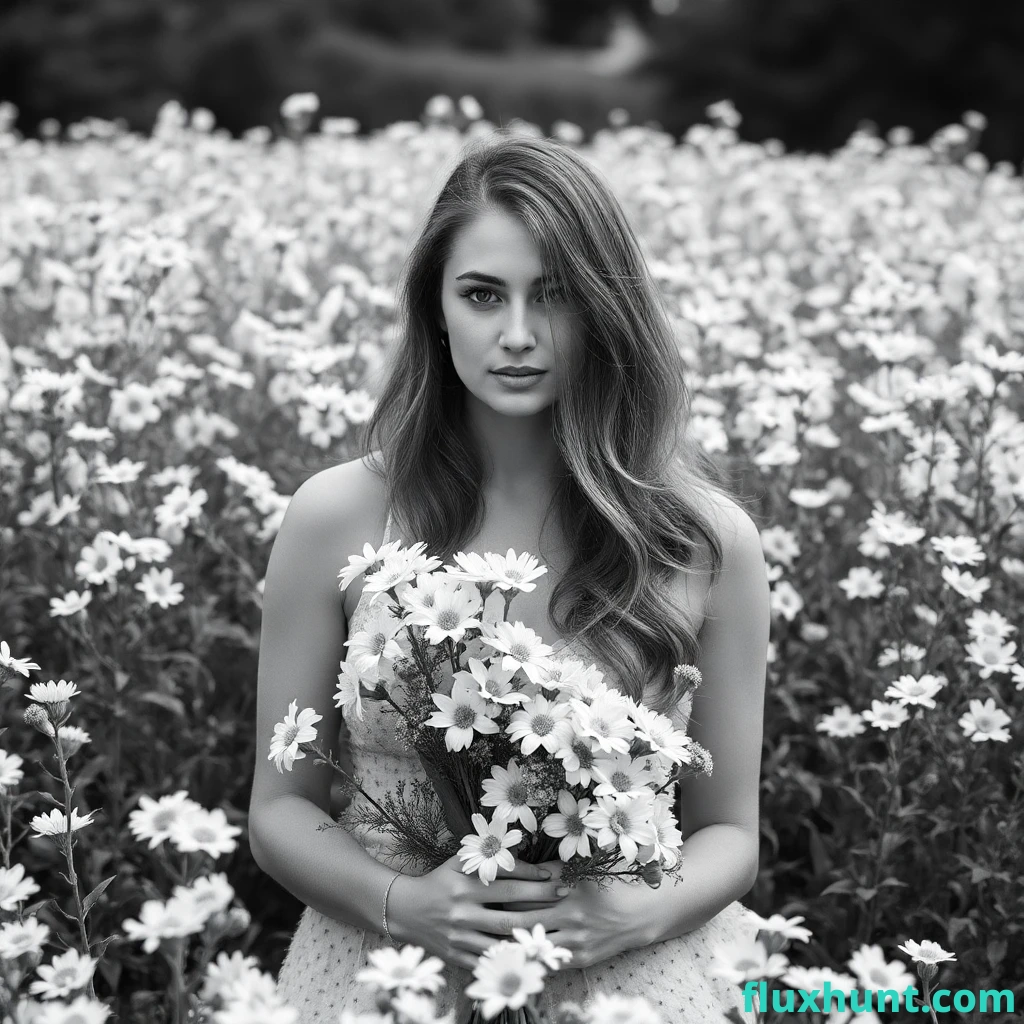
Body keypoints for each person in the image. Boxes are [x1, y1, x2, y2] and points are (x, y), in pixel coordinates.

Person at [249, 128, 770, 1023]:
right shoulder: (336, 515)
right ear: (436, 308)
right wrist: (400, 904)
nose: (519, 335)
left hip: (634, 978)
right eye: (483, 295)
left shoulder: (704, 540)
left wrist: (645, 912)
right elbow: (278, 811)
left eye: (556, 297)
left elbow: (729, 831)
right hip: (387, 970)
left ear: (610, 311)